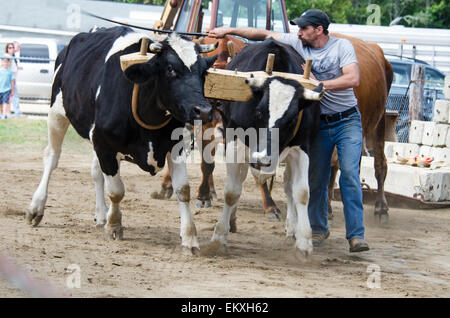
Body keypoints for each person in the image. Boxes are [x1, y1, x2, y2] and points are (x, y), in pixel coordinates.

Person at [208, 9, 369, 252]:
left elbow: (353, 78)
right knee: (316, 177)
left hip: (346, 120)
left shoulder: (341, 47)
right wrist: (227, 31)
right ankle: (317, 228)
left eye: (304, 28)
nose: (298, 32)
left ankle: (356, 236)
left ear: (319, 30)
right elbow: (262, 34)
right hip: (319, 122)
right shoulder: (296, 42)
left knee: (348, 173)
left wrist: (319, 84)